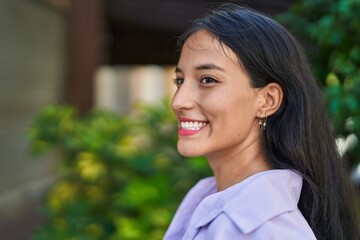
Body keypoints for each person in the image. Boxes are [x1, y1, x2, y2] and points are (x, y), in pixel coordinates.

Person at [163, 3, 360, 240]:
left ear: (267, 100)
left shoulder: (269, 230)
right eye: (179, 81)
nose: (178, 101)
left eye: (207, 79)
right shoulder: (210, 203)